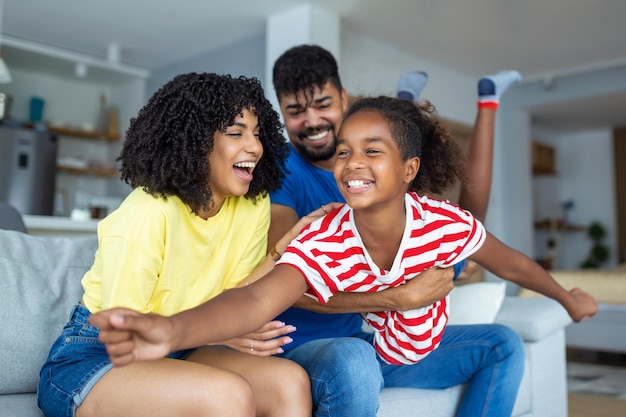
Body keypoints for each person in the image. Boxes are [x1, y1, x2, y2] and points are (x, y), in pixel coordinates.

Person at [90, 95, 598, 417]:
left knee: (503, 343)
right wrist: (173, 330)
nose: (352, 162)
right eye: (344, 151)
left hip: (421, 353)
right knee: (353, 357)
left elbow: (510, 262)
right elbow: (256, 300)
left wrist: (565, 297)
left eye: (372, 150)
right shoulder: (326, 236)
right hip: (369, 349)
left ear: (409, 169)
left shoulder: (444, 223)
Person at [238, 44, 528, 416]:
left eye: (322, 104)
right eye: (295, 111)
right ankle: (433, 101)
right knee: (354, 354)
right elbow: (281, 279)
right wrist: (398, 299)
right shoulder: (285, 174)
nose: (311, 121)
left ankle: (470, 102)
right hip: (309, 346)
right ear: (282, 111)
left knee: (500, 343)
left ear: (343, 99)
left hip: (370, 325)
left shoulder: (373, 172)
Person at [36, 72, 328, 417]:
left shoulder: (252, 204)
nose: (255, 147)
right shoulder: (148, 211)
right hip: (100, 355)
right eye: (236, 133)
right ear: (195, 141)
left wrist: (285, 247)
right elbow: (128, 332)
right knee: (226, 394)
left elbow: (239, 291)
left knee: (289, 383)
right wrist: (222, 329)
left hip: (185, 345)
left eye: (257, 133)